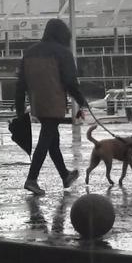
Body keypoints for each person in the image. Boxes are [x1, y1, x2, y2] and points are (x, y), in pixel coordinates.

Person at [14, 19, 88, 195]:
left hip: (37, 102)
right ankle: (32, 179)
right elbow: (70, 81)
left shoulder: (30, 52)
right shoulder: (63, 52)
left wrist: (19, 108)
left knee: (52, 139)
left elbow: (20, 83)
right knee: (46, 138)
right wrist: (81, 100)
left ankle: (65, 175)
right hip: (54, 101)